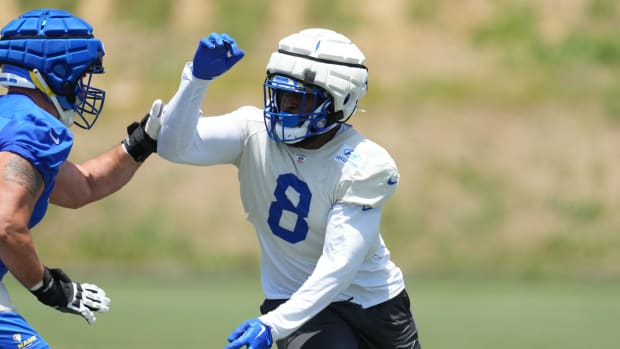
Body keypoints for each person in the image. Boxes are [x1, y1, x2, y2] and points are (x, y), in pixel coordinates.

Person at [154, 29, 421, 349]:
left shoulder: (364, 162)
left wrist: (271, 325)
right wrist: (196, 80)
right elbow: (174, 147)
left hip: (374, 303)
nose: (285, 104)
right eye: (281, 93)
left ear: (337, 101)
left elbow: (339, 266)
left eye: (300, 96)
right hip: (292, 297)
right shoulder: (251, 131)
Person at [0, 8, 161, 348]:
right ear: (58, 71)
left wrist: (142, 142)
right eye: (83, 76)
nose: (86, 88)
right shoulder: (32, 129)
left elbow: (83, 185)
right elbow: (6, 226)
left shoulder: (10, 120)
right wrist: (50, 288)